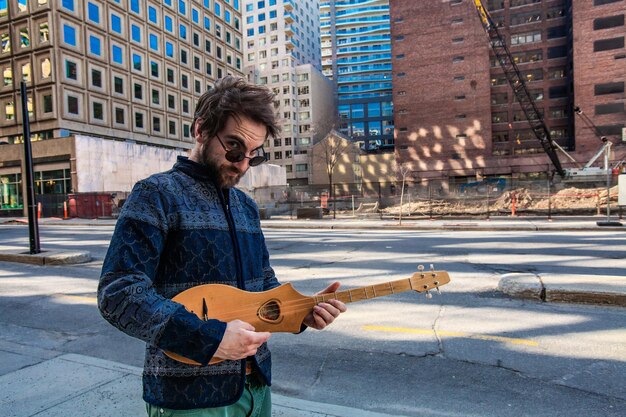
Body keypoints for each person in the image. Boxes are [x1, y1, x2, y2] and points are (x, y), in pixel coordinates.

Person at [98, 76, 346, 416]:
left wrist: (303, 313)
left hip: (256, 387)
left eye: (252, 155)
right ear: (200, 130)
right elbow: (118, 294)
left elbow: (263, 285)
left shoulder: (245, 207)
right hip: (190, 399)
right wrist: (209, 337)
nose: (242, 163)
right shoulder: (155, 195)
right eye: (233, 147)